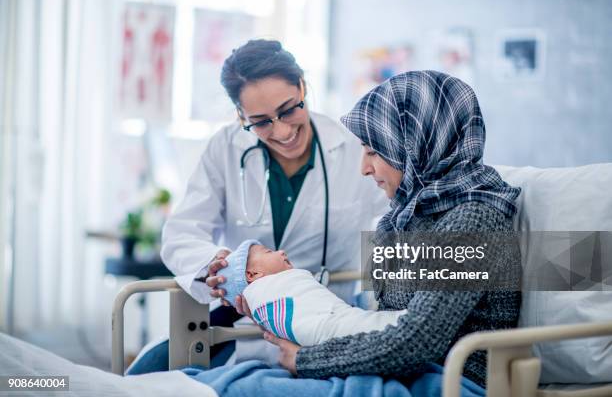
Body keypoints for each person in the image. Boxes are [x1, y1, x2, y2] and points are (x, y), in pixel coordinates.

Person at [127, 39, 387, 373]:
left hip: (323, 321)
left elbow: (393, 226)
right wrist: (216, 266)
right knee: (144, 376)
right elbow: (181, 234)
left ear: (303, 87)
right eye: (261, 121)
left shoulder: (353, 148)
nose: (282, 131)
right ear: (240, 115)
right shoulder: (226, 147)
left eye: (290, 109)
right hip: (243, 322)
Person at [261, 70, 522, 388]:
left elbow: (417, 341)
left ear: (413, 145)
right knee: (243, 378)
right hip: (396, 372)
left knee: (245, 387)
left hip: (449, 380)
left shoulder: (473, 222)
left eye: (373, 151)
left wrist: (306, 360)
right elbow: (379, 319)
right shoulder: (400, 218)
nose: (363, 168)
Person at [218, 239, 406, 347]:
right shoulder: (264, 294)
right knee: (381, 327)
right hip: (326, 327)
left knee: (373, 325)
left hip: (336, 315)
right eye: (269, 252)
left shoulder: (286, 283)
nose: (282, 251)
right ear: (253, 274)